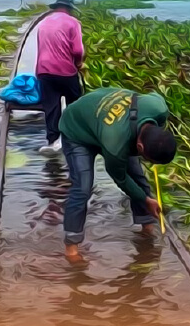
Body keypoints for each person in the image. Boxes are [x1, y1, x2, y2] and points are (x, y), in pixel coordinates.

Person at [58, 87, 177, 262]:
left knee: (139, 176)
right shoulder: (116, 145)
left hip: (106, 120)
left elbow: (153, 93)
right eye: (149, 159)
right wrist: (145, 199)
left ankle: (147, 229)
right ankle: (71, 249)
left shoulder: (159, 108)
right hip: (77, 129)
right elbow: (121, 179)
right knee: (82, 188)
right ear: (140, 147)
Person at [36, 0, 85, 154]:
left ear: (56, 7)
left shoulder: (43, 23)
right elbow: (78, 50)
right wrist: (78, 63)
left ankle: (52, 141)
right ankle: (74, 138)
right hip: (66, 71)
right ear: (69, 9)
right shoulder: (73, 23)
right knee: (75, 104)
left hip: (44, 70)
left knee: (51, 106)